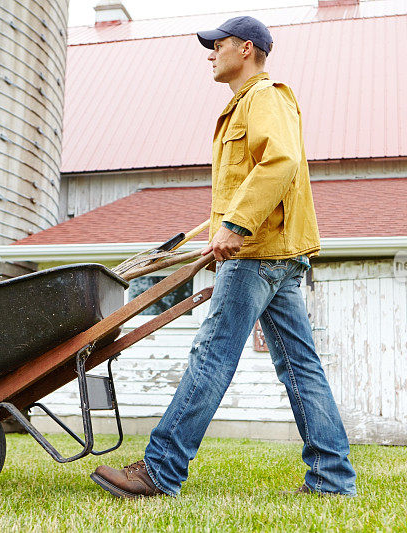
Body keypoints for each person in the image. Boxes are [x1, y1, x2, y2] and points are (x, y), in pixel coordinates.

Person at [91, 15, 357, 498]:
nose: (210, 53)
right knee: (300, 366)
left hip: (257, 254)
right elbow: (253, 175)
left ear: (247, 48)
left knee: (211, 356)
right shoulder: (244, 105)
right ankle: (332, 479)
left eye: (218, 44)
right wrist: (223, 224)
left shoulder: (264, 97)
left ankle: (161, 470)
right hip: (274, 253)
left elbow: (281, 161)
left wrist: (236, 225)